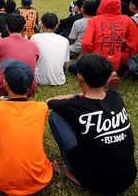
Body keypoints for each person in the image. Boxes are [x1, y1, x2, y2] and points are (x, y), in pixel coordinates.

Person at [46, 53, 137, 194]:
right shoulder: (116, 97)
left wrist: (75, 96)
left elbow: (49, 102)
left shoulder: (73, 106)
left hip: (97, 183)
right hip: (129, 177)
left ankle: (72, 172)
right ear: (107, 79)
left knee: (55, 116)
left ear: (80, 77)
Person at [0, 59, 52, 195]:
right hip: (39, 179)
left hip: (1, 181)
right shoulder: (41, 108)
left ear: (5, 83)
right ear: (30, 84)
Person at [82, 0, 131, 73]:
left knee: (73, 67)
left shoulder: (94, 20)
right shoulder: (126, 20)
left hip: (96, 62)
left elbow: (86, 43)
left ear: (102, 5)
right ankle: (111, 74)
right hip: (115, 62)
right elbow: (129, 40)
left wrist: (88, 56)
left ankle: (104, 76)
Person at [30, 13, 70, 85]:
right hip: (59, 80)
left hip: (39, 79)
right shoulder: (65, 40)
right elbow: (64, 62)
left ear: (41, 24)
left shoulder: (35, 37)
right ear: (57, 25)